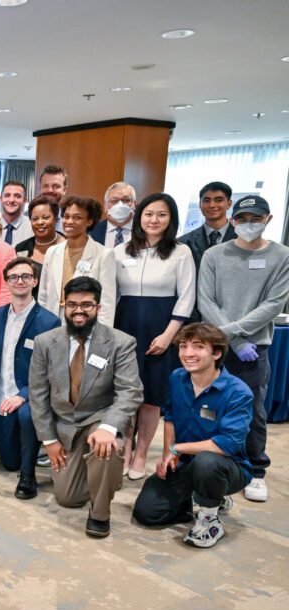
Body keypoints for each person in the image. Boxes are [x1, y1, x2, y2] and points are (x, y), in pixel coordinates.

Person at [28, 276, 143, 538]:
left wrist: (110, 427)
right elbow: (38, 394)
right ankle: (101, 477)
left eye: (87, 305)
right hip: (65, 424)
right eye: (72, 305)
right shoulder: (45, 342)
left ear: (98, 308)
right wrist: (49, 440)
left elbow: (130, 392)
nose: (79, 311)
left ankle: (100, 512)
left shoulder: (120, 342)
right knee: (67, 498)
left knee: (107, 448)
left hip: (99, 417)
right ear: (64, 306)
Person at [197, 194, 289, 503]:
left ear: (268, 220)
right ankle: (210, 461)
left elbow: (274, 304)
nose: (249, 225)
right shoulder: (214, 255)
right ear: (233, 220)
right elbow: (205, 301)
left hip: (255, 348)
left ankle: (255, 470)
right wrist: (232, 340)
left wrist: (236, 335)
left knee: (252, 410)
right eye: (243, 219)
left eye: (256, 219)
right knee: (209, 407)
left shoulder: (282, 256)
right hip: (217, 347)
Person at [132, 324, 253, 547]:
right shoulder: (178, 377)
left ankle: (209, 519)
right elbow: (169, 417)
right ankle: (202, 497)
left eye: (198, 347)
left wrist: (178, 449)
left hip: (227, 466)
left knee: (207, 463)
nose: (188, 353)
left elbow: (227, 444)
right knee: (147, 513)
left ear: (216, 353)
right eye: (184, 346)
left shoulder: (238, 392)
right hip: (187, 463)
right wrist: (169, 453)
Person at [112, 193, 196, 480]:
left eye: (161, 214)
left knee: (151, 397)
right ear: (139, 217)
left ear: (171, 219)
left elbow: (186, 298)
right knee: (124, 391)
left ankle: (141, 453)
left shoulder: (180, 252)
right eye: (149, 214)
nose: (154, 220)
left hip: (161, 328)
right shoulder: (121, 251)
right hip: (125, 325)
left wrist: (168, 335)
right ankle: (123, 448)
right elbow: (112, 294)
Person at [0, 257, 61, 499]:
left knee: (26, 413)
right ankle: (26, 454)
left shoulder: (49, 321)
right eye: (13, 277)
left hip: (29, 394)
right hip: (1, 395)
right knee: (9, 461)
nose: (19, 281)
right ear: (7, 282)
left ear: (35, 281)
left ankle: (28, 475)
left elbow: (53, 371)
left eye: (25, 277)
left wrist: (23, 396)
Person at [38, 195, 116, 326]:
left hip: (84, 322)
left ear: (89, 221)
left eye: (77, 217)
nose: (69, 221)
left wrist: (102, 336)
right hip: (52, 320)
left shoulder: (104, 255)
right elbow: (43, 295)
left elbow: (107, 302)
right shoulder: (52, 252)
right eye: (66, 216)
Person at [13, 195, 63, 301]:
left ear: (56, 220)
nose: (40, 222)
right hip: (29, 307)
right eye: (35, 219)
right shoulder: (21, 248)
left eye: (45, 218)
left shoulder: (67, 246)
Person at [179, 181, 236, 270]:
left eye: (219, 200)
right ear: (200, 204)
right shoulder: (184, 242)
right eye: (206, 200)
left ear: (229, 204)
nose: (212, 205)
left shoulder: (243, 239)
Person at [90, 181, 137, 247]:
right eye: (114, 201)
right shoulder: (91, 232)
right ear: (105, 205)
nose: (120, 205)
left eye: (126, 200)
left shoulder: (146, 231)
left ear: (134, 204)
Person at [0, 181, 33, 246]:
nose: (11, 200)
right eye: (7, 195)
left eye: (17, 196)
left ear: (25, 200)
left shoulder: (32, 227)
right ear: (1, 199)